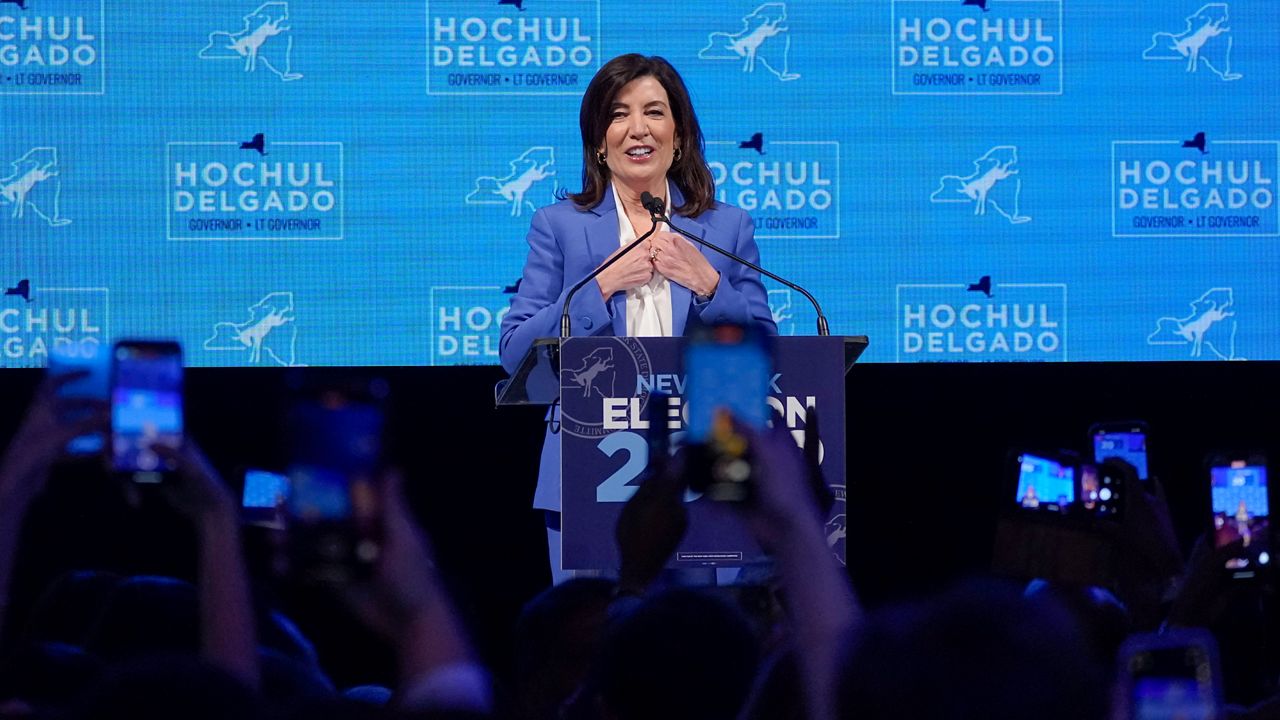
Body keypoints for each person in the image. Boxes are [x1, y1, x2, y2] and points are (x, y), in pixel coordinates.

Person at [499, 53, 776, 584]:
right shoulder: (559, 226)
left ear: (679, 135)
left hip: (705, 470)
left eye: (654, 112)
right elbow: (514, 352)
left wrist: (710, 286)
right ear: (599, 142)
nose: (637, 129)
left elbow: (769, 349)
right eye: (619, 114)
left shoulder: (725, 229)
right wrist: (601, 286)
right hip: (589, 472)